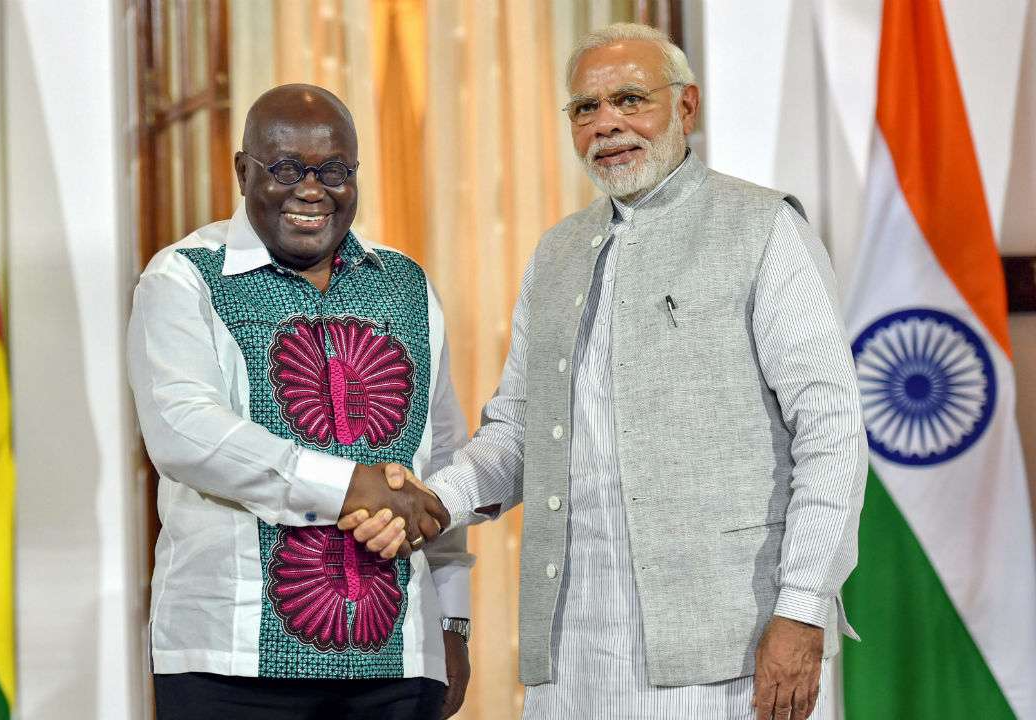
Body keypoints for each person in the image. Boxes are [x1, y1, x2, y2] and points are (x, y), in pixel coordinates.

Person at [345, 23, 867, 720]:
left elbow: (831, 432)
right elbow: (518, 433)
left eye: (630, 98)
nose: (608, 124)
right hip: (572, 651)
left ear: (686, 107)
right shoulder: (558, 253)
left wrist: (802, 609)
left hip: (728, 650)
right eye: (585, 109)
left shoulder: (762, 228)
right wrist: (430, 500)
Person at [128, 84, 470, 720]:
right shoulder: (182, 277)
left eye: (334, 169)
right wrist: (350, 486)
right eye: (285, 168)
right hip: (232, 664)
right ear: (242, 171)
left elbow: (442, 462)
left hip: (396, 662)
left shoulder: (406, 283)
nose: (311, 189)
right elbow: (185, 431)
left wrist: (453, 621)